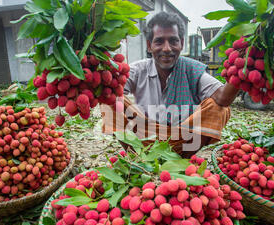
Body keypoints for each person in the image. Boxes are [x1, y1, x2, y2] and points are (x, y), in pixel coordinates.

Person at [101, 12, 239, 158]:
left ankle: (183, 159)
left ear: (181, 43)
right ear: (149, 45)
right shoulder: (138, 70)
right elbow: (111, 90)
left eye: (173, 41)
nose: (167, 48)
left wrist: (243, 65)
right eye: (159, 41)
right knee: (109, 100)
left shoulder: (192, 70)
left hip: (184, 142)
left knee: (219, 109)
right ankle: (137, 155)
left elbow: (223, 98)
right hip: (142, 139)